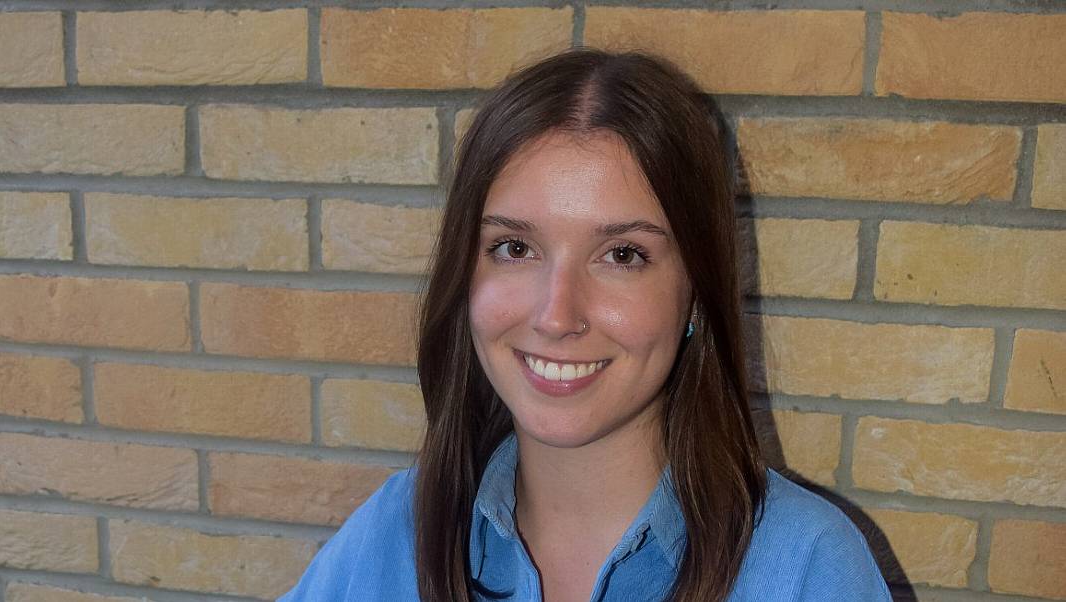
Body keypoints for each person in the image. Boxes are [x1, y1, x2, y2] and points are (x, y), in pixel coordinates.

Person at [280, 48, 891, 602]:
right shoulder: (394, 534)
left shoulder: (808, 568)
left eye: (623, 255)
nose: (555, 315)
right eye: (515, 247)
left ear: (695, 294)